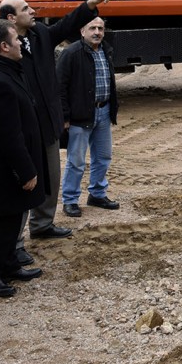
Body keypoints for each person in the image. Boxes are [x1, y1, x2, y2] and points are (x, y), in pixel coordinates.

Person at [1, 0, 113, 263]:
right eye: (26, 9)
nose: (32, 11)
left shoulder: (39, 35)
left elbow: (66, 25)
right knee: (23, 183)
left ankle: (42, 225)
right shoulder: (1, 46)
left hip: (47, 124)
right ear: (11, 18)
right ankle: (13, 243)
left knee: (50, 177)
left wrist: (90, 5)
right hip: (23, 127)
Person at [0, 21, 48, 298]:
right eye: (16, 40)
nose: (20, 43)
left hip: (13, 165)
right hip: (6, 169)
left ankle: (7, 264)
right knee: (4, 220)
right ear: (4, 46)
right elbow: (8, 135)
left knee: (13, 216)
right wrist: (25, 170)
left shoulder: (6, 71)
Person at [57, 16, 120, 217]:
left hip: (103, 111)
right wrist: (65, 116)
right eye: (92, 28)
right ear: (82, 31)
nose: (97, 32)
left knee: (103, 157)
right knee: (76, 161)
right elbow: (60, 87)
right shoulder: (71, 53)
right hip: (80, 115)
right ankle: (70, 200)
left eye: (100, 28)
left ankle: (97, 194)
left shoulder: (105, 50)